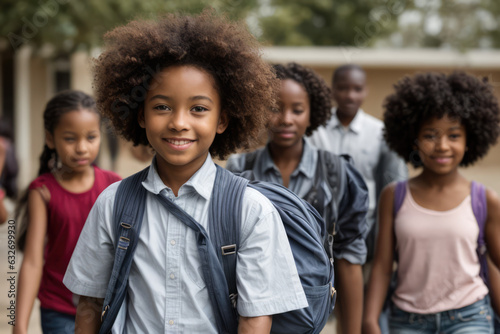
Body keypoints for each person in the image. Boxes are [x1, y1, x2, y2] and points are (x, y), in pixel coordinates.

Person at [63, 10, 308, 333]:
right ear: (140, 115)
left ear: (222, 120)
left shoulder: (250, 210)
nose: (179, 122)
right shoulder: (113, 204)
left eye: (199, 109)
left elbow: (255, 319)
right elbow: (90, 307)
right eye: (162, 106)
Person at [226, 62, 369, 334]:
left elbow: (349, 258)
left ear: (313, 113)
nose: (286, 119)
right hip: (253, 318)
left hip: (314, 319)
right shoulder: (238, 172)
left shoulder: (338, 174)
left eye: (297, 110)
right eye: (274, 108)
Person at [362, 71, 500, 334]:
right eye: (430, 135)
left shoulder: (484, 199)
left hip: (470, 316)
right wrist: (370, 320)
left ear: (469, 140)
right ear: (414, 140)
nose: (442, 146)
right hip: (407, 320)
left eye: (454, 135)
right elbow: (382, 266)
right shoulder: (394, 196)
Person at [13, 90, 122, 334]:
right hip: (58, 310)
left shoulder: (115, 186)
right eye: (70, 138)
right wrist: (19, 325)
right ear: (51, 139)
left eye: (91, 137)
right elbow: (32, 262)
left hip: (107, 308)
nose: (82, 148)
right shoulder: (43, 191)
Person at [309, 64, 407, 264]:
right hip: (317, 231)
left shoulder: (380, 133)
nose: (350, 95)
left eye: (357, 89)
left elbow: (391, 184)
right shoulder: (314, 129)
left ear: (366, 90)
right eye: (343, 88)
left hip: (364, 232)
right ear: (332, 90)